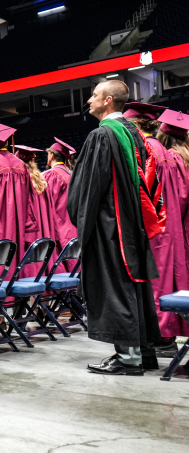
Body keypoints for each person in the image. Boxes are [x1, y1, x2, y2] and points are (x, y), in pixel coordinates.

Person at [67, 80, 161, 375]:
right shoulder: (134, 134)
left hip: (110, 226)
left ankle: (128, 358)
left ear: (108, 100)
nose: (89, 101)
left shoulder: (102, 135)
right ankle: (143, 352)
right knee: (133, 286)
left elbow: (89, 187)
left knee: (116, 286)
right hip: (133, 227)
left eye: (94, 96)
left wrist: (82, 218)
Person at [125, 103, 187, 358]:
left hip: (152, 227)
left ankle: (159, 338)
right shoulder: (173, 156)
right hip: (173, 227)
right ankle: (167, 336)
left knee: (155, 282)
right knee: (166, 280)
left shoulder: (146, 150)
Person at [0, 121, 35, 281]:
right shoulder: (22, 166)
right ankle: (16, 302)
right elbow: (29, 201)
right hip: (18, 225)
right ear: (8, 142)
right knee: (16, 260)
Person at [155, 109, 189, 350]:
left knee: (167, 278)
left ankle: (167, 334)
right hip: (184, 227)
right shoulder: (184, 159)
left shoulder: (169, 160)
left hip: (173, 227)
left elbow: (173, 199)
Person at [14, 145, 53, 278]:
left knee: (29, 265)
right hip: (43, 230)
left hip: (30, 230)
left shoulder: (21, 183)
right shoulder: (43, 182)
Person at [44, 138, 78, 265]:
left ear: (52, 155)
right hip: (73, 225)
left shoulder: (51, 175)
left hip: (58, 224)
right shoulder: (73, 174)